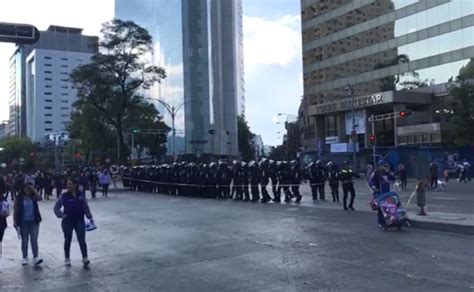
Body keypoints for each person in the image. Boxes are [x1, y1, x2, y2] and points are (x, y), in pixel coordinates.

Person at [54, 178, 94, 267]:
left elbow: (85, 206)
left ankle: (85, 257)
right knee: (68, 239)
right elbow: (56, 207)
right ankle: (67, 258)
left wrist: (89, 217)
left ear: (75, 185)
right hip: (68, 221)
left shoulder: (81, 195)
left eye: (70, 184)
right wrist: (61, 215)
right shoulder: (64, 196)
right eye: (67, 184)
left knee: (82, 239)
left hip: (79, 219)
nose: (68, 186)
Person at [13, 183, 43, 266]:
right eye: (26, 189)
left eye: (29, 189)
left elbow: (40, 198)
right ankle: (24, 257)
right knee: (24, 240)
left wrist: (34, 190)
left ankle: (35, 257)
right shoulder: (19, 198)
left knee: (34, 240)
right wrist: (15, 222)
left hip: (34, 221)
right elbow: (15, 210)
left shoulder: (33, 197)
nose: (28, 191)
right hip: (23, 222)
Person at [369, 161, 394, 227]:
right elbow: (371, 180)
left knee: (388, 207)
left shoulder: (386, 172)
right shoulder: (376, 173)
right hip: (379, 192)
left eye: (384, 165)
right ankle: (381, 222)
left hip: (387, 192)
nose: (382, 167)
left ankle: (390, 220)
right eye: (381, 165)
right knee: (381, 208)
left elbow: (393, 178)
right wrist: (373, 186)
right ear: (378, 166)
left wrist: (389, 172)